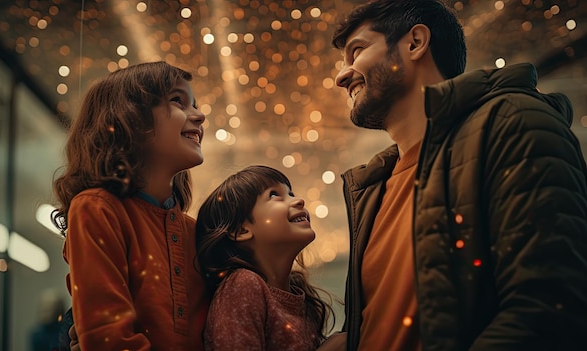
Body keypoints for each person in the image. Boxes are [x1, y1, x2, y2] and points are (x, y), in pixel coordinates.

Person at [331, 0, 587, 350]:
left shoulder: (513, 122)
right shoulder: (373, 187)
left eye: (357, 51)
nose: (340, 76)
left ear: (415, 42)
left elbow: (550, 310)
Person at [52, 61, 209, 351]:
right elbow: (108, 339)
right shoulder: (96, 209)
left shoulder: (197, 231)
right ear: (129, 119)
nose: (199, 116)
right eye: (178, 101)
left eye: (195, 105)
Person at [195, 165, 347, 351]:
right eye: (274, 195)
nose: (299, 200)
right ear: (240, 230)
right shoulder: (243, 285)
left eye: (291, 193)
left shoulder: (301, 296)